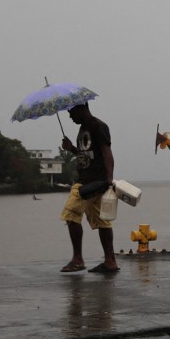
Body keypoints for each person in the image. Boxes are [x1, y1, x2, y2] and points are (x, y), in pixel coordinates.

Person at [58, 103, 119, 273]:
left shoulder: (98, 126)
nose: (70, 116)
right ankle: (110, 261)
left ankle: (78, 260)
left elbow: (107, 152)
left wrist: (109, 179)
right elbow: (87, 155)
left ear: (82, 108)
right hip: (90, 179)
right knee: (102, 220)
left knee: (70, 214)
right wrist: (72, 149)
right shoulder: (83, 129)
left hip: (90, 182)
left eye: (72, 112)